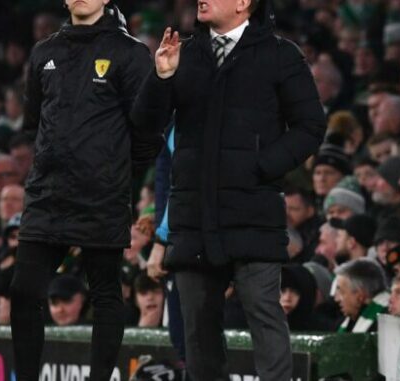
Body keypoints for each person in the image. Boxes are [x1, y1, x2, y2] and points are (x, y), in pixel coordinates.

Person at [131, 0, 326, 379]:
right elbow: (144, 124)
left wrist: (259, 168)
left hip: (252, 213)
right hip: (192, 219)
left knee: (265, 321)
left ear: (244, 3)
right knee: (198, 336)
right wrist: (161, 77)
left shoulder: (280, 55)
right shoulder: (180, 55)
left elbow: (310, 127)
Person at [10, 1, 155, 381]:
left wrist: (114, 173)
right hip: (48, 194)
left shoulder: (131, 53)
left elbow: (146, 132)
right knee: (24, 289)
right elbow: (33, 123)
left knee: (105, 290)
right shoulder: (45, 51)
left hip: (101, 194)